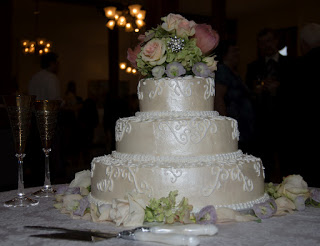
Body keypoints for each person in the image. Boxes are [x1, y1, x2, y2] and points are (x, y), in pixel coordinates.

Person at [245, 28, 293, 183]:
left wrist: (279, 89)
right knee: (264, 164)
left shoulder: (291, 64)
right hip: (262, 123)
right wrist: (256, 92)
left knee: (289, 163)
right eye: (262, 43)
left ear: (276, 41)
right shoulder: (253, 67)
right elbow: (247, 95)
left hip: (287, 121)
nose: (266, 45)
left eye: (269, 41)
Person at [214, 41, 255, 154]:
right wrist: (226, 125)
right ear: (225, 54)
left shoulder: (234, 72)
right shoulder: (222, 71)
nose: (238, 54)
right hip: (234, 125)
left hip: (244, 126)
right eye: (234, 51)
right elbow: (218, 98)